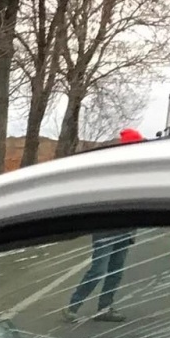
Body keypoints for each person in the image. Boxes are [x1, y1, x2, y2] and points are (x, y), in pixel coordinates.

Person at [65, 128, 145, 323]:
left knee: (116, 271)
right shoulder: (113, 167)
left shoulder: (138, 169)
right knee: (99, 269)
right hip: (106, 227)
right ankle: (73, 307)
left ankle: (104, 309)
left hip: (126, 228)